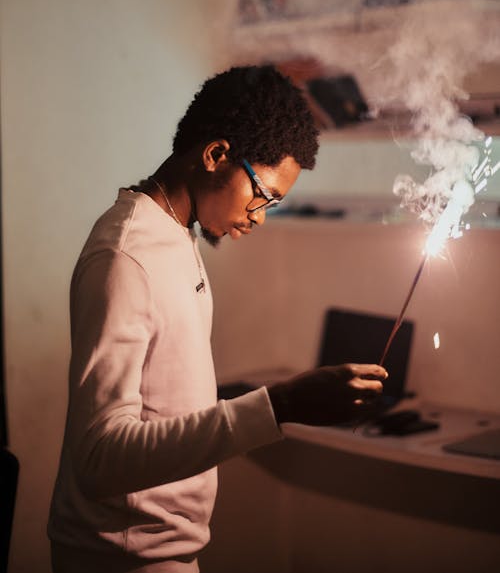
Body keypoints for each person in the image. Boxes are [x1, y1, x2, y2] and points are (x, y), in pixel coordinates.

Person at [48, 65, 387, 573]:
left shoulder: (175, 234)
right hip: (119, 557)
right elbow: (98, 460)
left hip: (162, 548)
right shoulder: (125, 258)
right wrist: (281, 403)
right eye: (263, 195)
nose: (260, 216)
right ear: (216, 155)